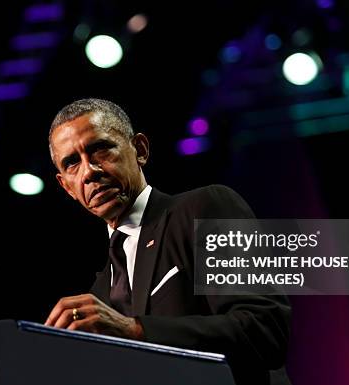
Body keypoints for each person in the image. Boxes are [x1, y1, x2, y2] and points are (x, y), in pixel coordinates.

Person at [44, 98, 291, 385]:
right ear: (66, 186)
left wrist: (136, 330)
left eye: (100, 148)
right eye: (72, 163)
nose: (88, 171)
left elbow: (265, 329)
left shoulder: (204, 208)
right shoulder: (99, 293)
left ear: (140, 150)